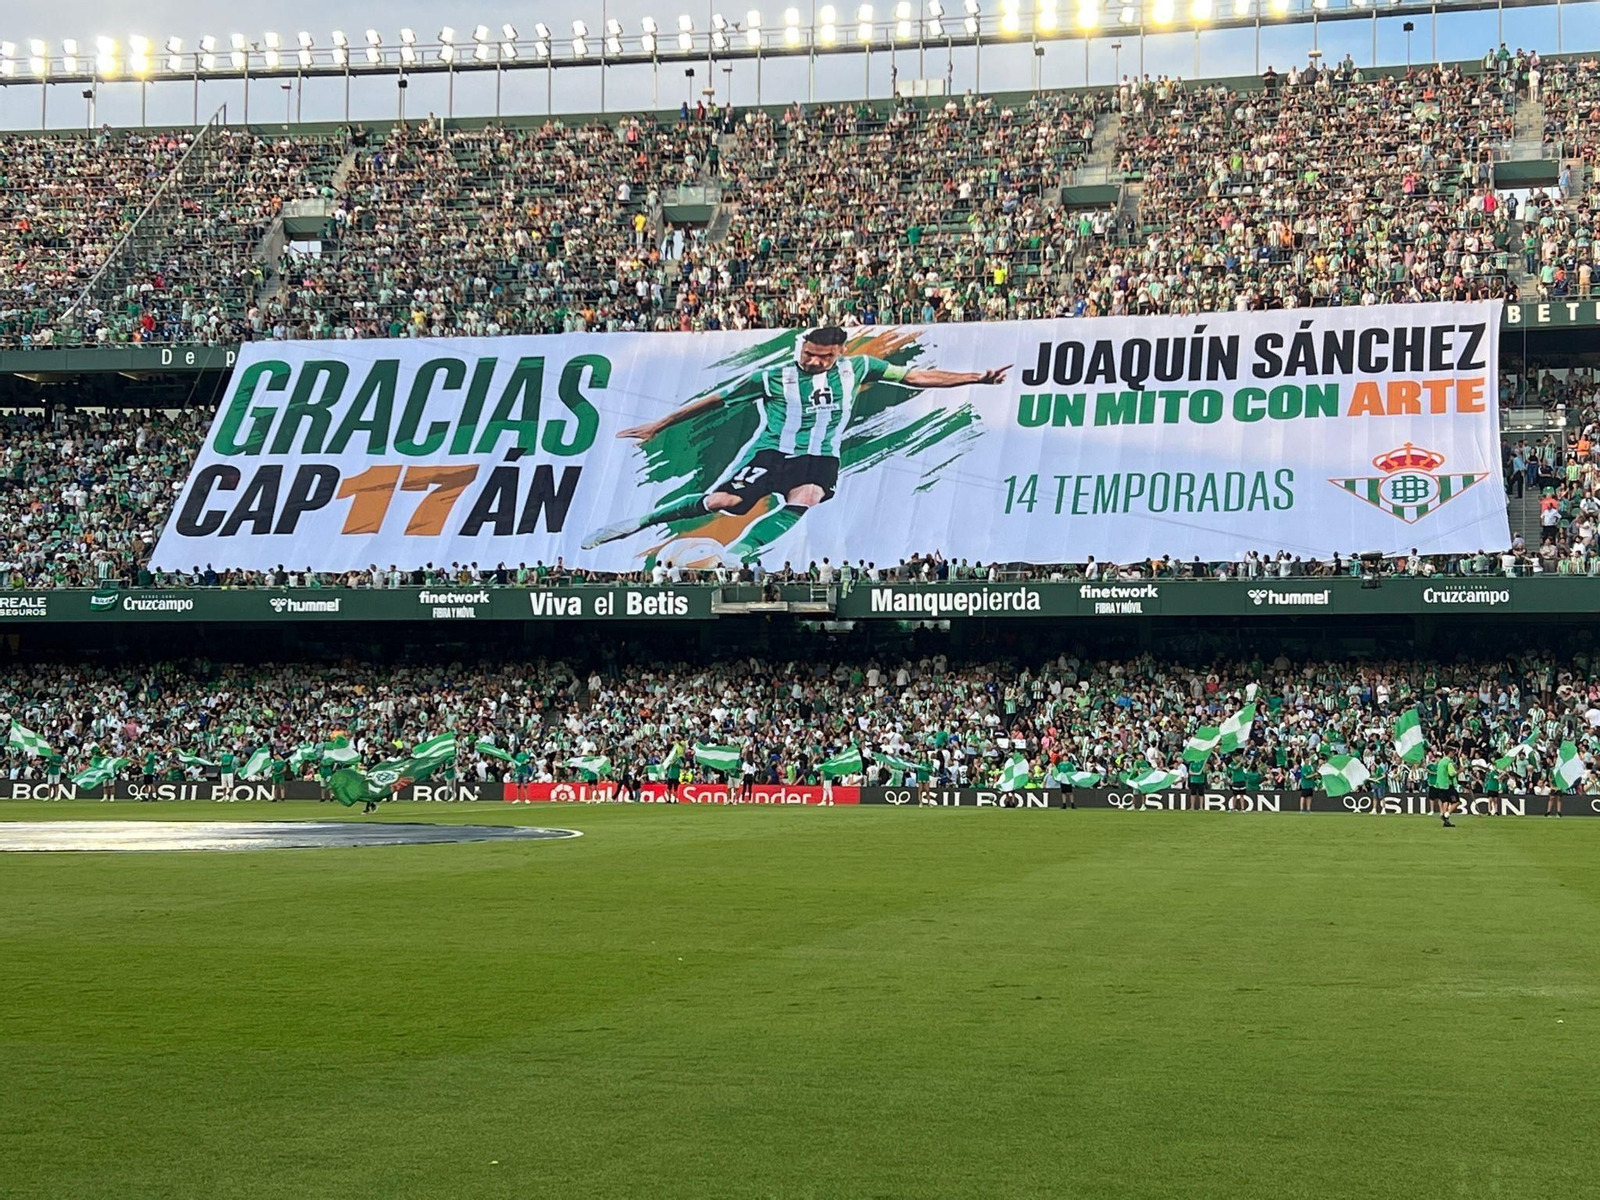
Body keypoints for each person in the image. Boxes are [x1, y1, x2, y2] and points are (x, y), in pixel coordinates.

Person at [583, 326, 1011, 561]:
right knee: (723, 503)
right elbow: (712, 402)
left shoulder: (858, 368)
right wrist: (661, 423)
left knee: (806, 496)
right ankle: (634, 524)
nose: (815, 362)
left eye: (825, 357)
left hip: (820, 456)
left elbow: (917, 377)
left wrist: (976, 377)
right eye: (810, 354)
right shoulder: (771, 377)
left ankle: (739, 554)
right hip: (772, 452)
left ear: (839, 354)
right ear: (800, 347)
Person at [1429, 750, 1459, 827]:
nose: (1453, 754)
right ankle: (1446, 815)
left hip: (1440, 785)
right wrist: (1459, 771)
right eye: (1453, 753)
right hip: (1448, 785)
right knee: (1456, 802)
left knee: (1445, 801)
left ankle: (1446, 821)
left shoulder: (1440, 762)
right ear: (1449, 753)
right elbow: (1452, 773)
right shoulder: (1448, 762)